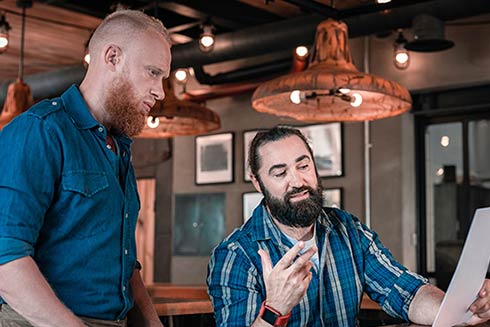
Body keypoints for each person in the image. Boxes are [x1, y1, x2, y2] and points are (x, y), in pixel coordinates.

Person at [207, 126, 490, 327]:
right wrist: (276, 307)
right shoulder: (236, 255)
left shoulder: (349, 230)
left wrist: (458, 310)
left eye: (303, 166)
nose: (297, 181)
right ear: (257, 183)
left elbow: (405, 291)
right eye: (280, 172)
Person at [0, 9, 171, 327]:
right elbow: (5, 260)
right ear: (112, 57)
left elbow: (125, 264)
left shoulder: (119, 149)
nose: (160, 92)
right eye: (152, 72)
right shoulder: (40, 131)